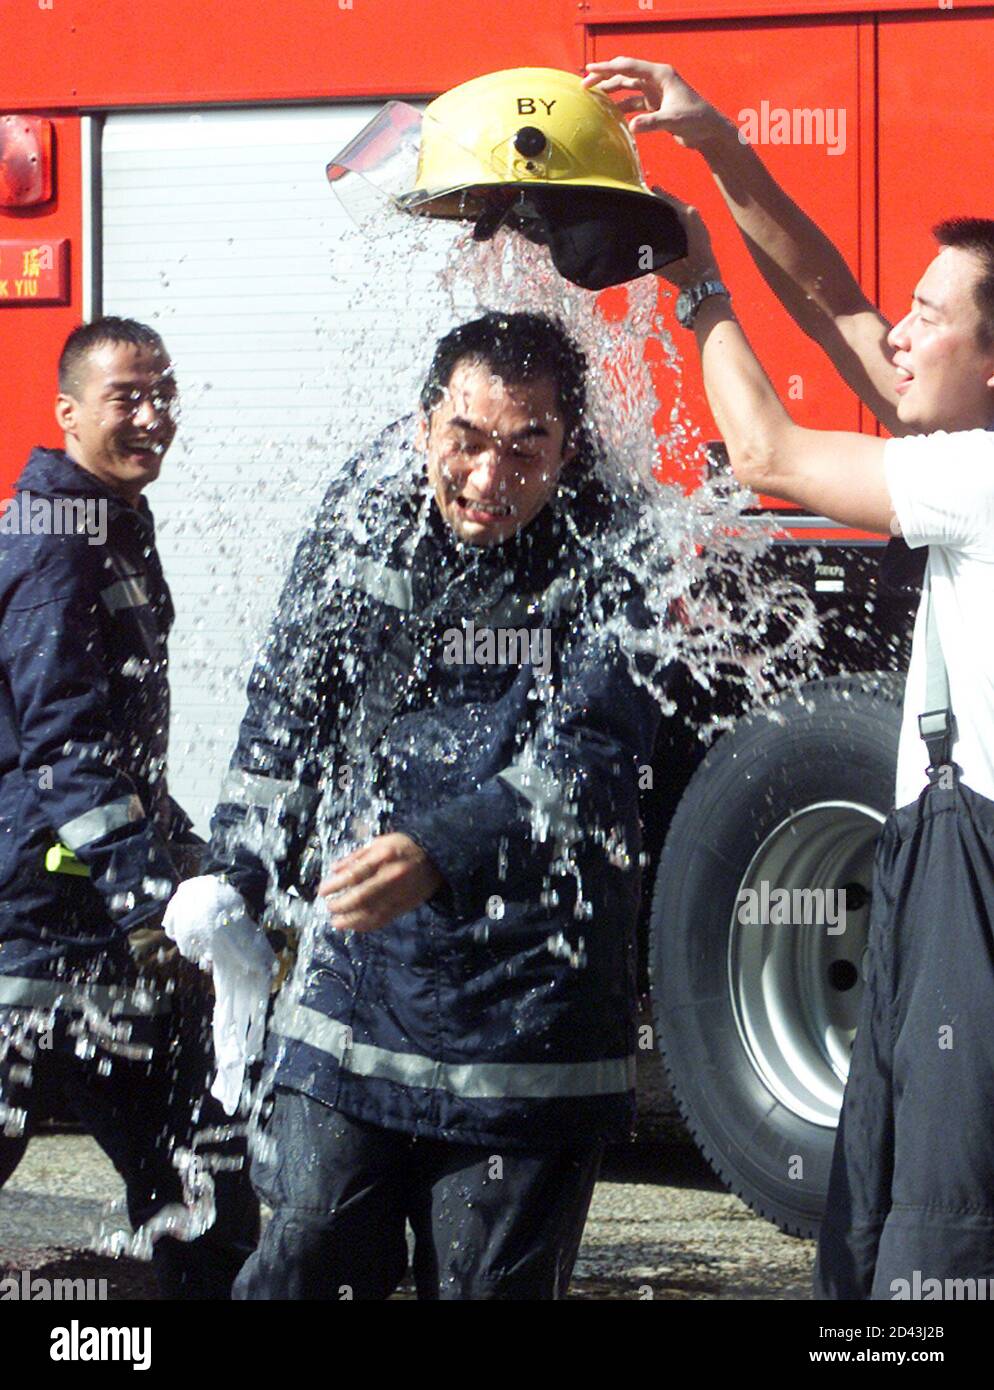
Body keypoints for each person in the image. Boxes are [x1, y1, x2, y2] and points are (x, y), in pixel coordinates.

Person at [586, 55, 994, 1299]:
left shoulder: (975, 477)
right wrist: (717, 145)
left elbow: (762, 451)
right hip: (939, 843)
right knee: (885, 1175)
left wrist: (693, 278)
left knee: (943, 1205)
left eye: (934, 315)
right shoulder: (966, 446)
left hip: (974, 862)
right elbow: (833, 303)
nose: (898, 330)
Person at [167, 311, 666, 1300]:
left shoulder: (622, 544)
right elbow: (286, 707)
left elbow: (597, 760)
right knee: (302, 1256)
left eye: (527, 447)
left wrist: (442, 845)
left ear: (571, 447)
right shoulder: (366, 509)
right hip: (358, 990)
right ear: (425, 423)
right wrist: (234, 870)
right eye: (466, 441)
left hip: (527, 1017)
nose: (488, 480)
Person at [0, 317, 258, 1298]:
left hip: (98, 922)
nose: (153, 416)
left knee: (199, 1187)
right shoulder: (55, 541)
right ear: (68, 412)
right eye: (127, 398)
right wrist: (159, 903)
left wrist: (185, 856)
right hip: (34, 927)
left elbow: (114, 752)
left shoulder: (107, 524)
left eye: (164, 394)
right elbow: (63, 751)